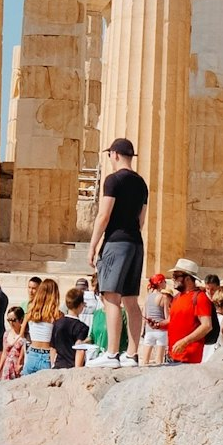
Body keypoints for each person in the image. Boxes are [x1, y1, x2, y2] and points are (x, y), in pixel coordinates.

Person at [87, 137, 147, 368]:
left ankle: (111, 354)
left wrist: (93, 244)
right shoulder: (141, 183)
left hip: (116, 241)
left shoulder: (113, 180)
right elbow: (141, 219)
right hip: (135, 242)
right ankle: (132, 354)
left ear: (114, 154)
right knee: (131, 299)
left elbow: (104, 215)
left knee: (110, 297)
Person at [166, 259, 213, 364]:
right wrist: (158, 324)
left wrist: (184, 342)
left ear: (187, 279)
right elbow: (171, 321)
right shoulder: (177, 297)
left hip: (188, 357)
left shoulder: (200, 297)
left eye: (176, 276)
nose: (173, 279)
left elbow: (207, 326)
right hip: (172, 354)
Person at [21, 278, 61, 374]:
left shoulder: (31, 311)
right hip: (47, 355)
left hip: (32, 353)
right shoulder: (57, 314)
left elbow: (22, 333)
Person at [52, 288, 91, 370]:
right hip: (71, 367)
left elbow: (53, 348)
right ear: (81, 305)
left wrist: (52, 365)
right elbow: (79, 349)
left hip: (58, 365)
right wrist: (77, 371)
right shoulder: (82, 327)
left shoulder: (57, 323)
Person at [140, 274, 171, 366]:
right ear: (160, 283)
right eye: (164, 281)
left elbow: (144, 315)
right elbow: (167, 317)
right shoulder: (163, 297)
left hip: (149, 331)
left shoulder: (147, 297)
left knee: (145, 361)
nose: (166, 283)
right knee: (159, 361)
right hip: (161, 330)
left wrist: (143, 330)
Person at [0, 305, 26, 380]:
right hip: (7, 369)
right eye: (9, 320)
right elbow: (4, 353)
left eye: (13, 320)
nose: (11, 323)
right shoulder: (6, 334)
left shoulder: (25, 336)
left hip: (18, 369)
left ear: (21, 320)